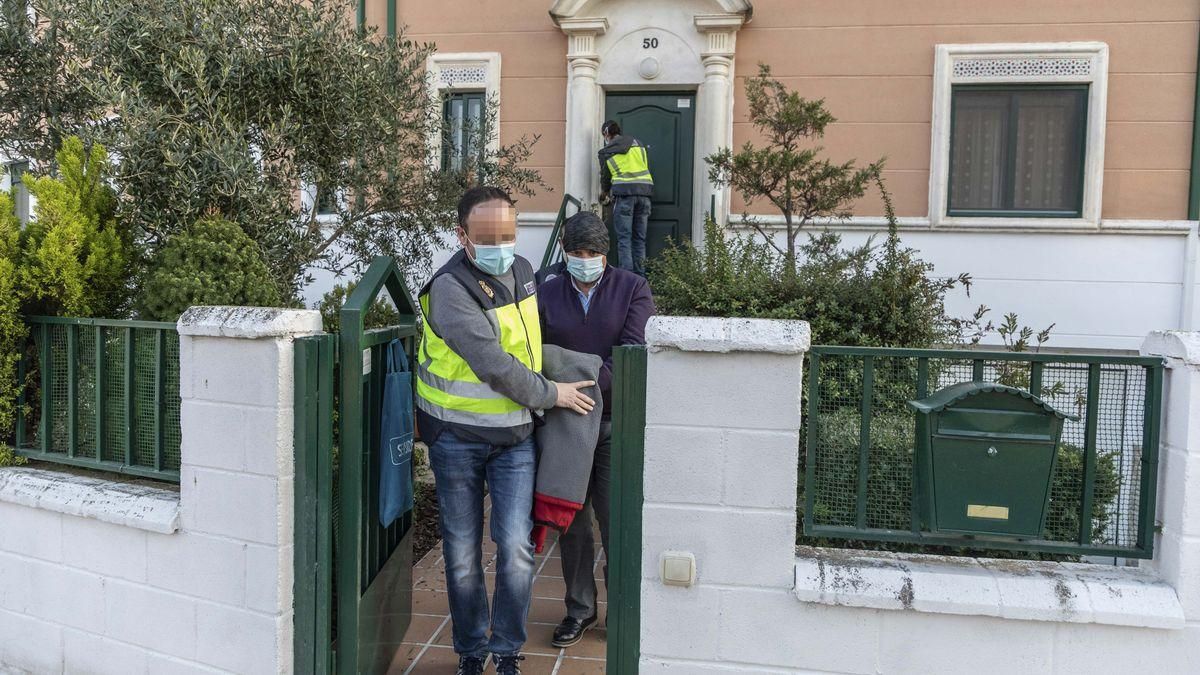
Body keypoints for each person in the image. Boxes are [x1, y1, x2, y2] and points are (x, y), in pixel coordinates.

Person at [416, 186, 597, 675]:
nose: (501, 244)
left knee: (517, 549)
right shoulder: (449, 289)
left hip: (515, 436)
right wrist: (552, 394)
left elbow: (532, 340)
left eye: (508, 234)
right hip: (456, 438)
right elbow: (494, 363)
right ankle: (472, 653)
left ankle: (506, 651)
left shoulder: (521, 271)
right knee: (460, 552)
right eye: (488, 235)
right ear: (462, 235)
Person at [536, 211, 655, 648]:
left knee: (616, 519)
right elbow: (537, 353)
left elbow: (631, 351)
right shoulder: (547, 291)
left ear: (607, 254)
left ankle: (624, 610)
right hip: (565, 423)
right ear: (565, 252)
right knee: (573, 522)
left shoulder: (632, 288)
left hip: (612, 423)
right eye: (576, 252)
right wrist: (556, 387)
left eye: (593, 253)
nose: (585, 260)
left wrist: (577, 382)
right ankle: (580, 610)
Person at [598, 120, 653, 276]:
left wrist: (604, 193)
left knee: (624, 240)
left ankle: (627, 281)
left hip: (624, 197)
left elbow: (605, 177)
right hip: (645, 195)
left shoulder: (606, 152)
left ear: (606, 133)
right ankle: (640, 280)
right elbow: (644, 165)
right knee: (639, 240)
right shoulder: (638, 143)